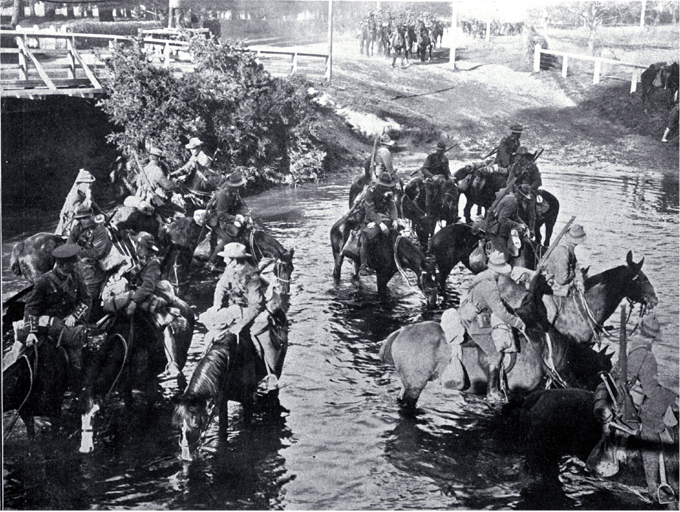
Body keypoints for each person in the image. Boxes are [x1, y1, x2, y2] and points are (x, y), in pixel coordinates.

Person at [458, 251, 526, 402]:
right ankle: (492, 391)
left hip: (472, 314)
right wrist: (517, 323)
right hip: (476, 323)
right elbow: (500, 311)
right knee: (496, 353)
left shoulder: (483, 277)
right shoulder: (490, 286)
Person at [626, 313, 679, 503]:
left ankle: (653, 487)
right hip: (639, 405)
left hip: (630, 398)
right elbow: (650, 389)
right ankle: (669, 486)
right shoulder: (647, 356)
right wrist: (672, 397)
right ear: (654, 336)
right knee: (666, 432)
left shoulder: (634, 348)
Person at [22, 244, 92, 386]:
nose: (77, 263)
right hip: (51, 326)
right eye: (74, 262)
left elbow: (86, 299)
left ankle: (77, 386)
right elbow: (32, 307)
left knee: (77, 358)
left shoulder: (76, 276)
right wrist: (31, 331)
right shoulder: (44, 281)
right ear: (63, 265)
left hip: (71, 324)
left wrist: (74, 315)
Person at [125, 231, 183, 380]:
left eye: (139, 245)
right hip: (141, 296)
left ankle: (173, 365)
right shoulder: (139, 261)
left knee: (163, 323)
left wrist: (134, 301)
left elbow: (148, 286)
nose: (137, 247)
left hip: (155, 297)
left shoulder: (153, 263)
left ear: (146, 248)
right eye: (137, 245)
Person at [204, 170, 251, 271]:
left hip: (227, 217)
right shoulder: (222, 194)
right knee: (228, 238)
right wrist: (235, 218)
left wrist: (246, 214)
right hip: (216, 219)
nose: (240, 187)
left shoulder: (234, 192)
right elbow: (221, 214)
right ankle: (210, 263)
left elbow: (240, 204)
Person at [68, 205, 112, 308]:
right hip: (80, 262)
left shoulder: (100, 230)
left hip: (97, 265)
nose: (86, 220)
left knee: (90, 288)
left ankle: (90, 312)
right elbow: (69, 245)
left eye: (87, 217)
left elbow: (96, 253)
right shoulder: (77, 228)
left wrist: (77, 250)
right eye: (82, 218)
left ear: (92, 216)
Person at [541, 224, 587, 324]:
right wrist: (573, 277)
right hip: (549, 284)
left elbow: (576, 266)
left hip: (559, 279)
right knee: (552, 312)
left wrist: (580, 282)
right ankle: (546, 335)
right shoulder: (562, 252)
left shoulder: (569, 247)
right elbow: (561, 280)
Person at [359, 172, 400, 275]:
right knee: (366, 238)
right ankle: (363, 266)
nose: (386, 188)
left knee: (397, 232)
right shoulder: (370, 191)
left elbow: (392, 207)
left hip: (384, 216)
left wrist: (395, 219)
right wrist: (379, 223)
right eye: (384, 186)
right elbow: (370, 210)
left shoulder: (389, 192)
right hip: (369, 218)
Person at [484, 184, 532, 259]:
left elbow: (515, 216)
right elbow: (502, 219)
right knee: (503, 255)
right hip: (495, 230)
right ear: (520, 196)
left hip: (499, 227)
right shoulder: (512, 202)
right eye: (524, 198)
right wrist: (517, 225)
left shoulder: (512, 198)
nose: (524, 200)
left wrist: (525, 226)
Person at [55, 168, 102, 238]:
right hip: (73, 224)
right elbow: (79, 211)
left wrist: (104, 216)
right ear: (80, 184)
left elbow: (94, 206)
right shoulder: (74, 196)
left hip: (85, 221)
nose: (90, 185)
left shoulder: (85, 194)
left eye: (91, 183)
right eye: (87, 183)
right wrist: (87, 199)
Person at [508, 147, 542, 235]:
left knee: (530, 207)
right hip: (517, 191)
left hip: (528, 192)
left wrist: (529, 188)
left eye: (519, 156)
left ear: (524, 157)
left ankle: (531, 229)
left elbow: (538, 181)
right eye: (517, 156)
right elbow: (510, 180)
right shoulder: (515, 167)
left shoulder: (532, 167)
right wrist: (511, 192)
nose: (517, 158)